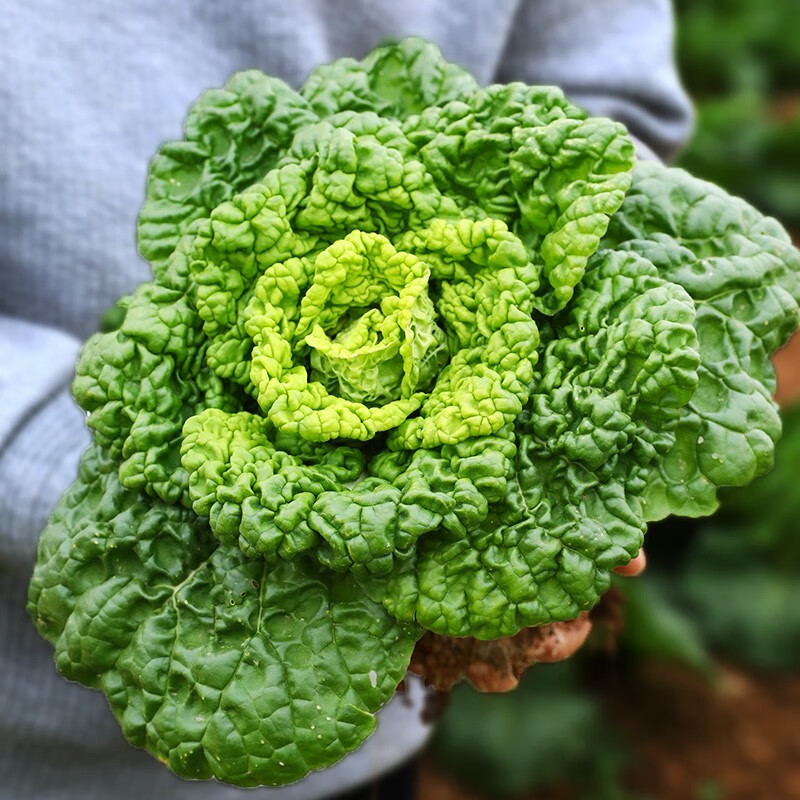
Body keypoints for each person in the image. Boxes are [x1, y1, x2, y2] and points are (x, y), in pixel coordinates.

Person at [0, 1, 691, 798]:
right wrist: (62, 457)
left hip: (369, 738)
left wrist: (555, 523)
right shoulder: (217, 358)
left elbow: (597, 129)